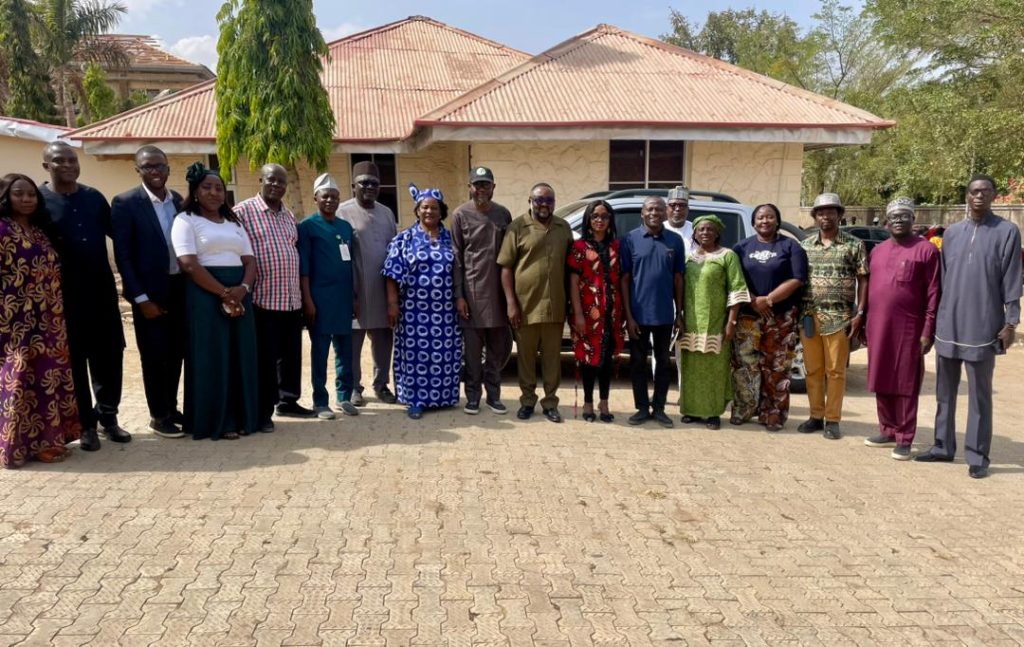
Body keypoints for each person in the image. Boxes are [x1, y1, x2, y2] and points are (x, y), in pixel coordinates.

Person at [916, 175, 1022, 478]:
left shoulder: (1007, 232)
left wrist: (1011, 322)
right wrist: (932, 323)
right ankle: (942, 446)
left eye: (985, 191)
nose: (979, 196)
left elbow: (1012, 279)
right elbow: (942, 281)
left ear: (994, 196)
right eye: (974, 191)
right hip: (949, 323)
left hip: (984, 325)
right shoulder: (952, 233)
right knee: (944, 391)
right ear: (966, 196)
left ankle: (977, 456)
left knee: (979, 395)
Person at [40, 141, 128, 451]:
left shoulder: (93, 197)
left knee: (110, 356)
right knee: (75, 361)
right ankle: (86, 425)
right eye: (59, 160)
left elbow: (121, 236)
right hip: (63, 298)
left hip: (102, 292)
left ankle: (108, 418)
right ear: (46, 166)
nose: (67, 165)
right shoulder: (39, 202)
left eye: (72, 160)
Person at [171, 162, 259, 440]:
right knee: (213, 357)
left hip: (240, 295)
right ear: (195, 192)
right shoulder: (185, 220)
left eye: (219, 188)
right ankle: (219, 421)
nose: (214, 193)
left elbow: (250, 261)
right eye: (207, 187)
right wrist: (223, 293)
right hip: (205, 294)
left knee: (241, 355)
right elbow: (188, 264)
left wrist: (243, 288)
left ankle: (245, 417)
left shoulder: (235, 223)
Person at [0, 174, 81, 467]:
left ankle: (47, 441)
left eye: (31, 194)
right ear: (6, 197)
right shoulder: (2, 229)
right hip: (14, 321)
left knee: (46, 377)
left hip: (48, 319)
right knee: (19, 379)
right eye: (19, 194)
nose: (26, 199)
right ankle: (15, 446)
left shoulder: (38, 231)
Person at [111, 145, 186, 439]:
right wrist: (140, 298)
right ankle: (158, 416)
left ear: (168, 168)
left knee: (176, 353)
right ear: (138, 170)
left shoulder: (177, 200)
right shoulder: (126, 203)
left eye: (160, 166)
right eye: (148, 167)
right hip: (149, 295)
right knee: (154, 357)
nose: (155, 171)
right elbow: (124, 256)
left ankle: (171, 407)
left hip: (178, 289)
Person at [236, 164, 314, 431]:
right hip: (262, 299)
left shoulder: (288, 215)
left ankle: (288, 401)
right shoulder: (243, 212)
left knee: (290, 356)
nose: (277, 185)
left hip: (290, 299)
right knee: (265, 360)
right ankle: (263, 412)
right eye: (271, 180)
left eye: (281, 182)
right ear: (261, 180)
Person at [863, 198, 940, 460]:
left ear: (913, 219)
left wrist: (927, 330)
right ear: (887, 221)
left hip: (909, 328)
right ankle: (887, 429)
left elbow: (933, 293)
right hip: (878, 326)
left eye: (904, 216)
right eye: (894, 216)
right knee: (881, 376)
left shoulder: (926, 250)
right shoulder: (878, 251)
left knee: (905, 382)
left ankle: (905, 437)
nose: (898, 220)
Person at [382, 185, 461, 419]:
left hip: (445, 311)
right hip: (413, 311)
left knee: (444, 354)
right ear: (417, 210)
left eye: (434, 208)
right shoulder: (405, 239)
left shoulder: (450, 238)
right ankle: (415, 399)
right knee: (415, 356)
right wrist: (392, 304)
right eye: (425, 207)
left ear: (441, 211)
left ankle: (442, 398)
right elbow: (391, 273)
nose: (429, 212)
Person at [498, 182, 573, 423]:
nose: (544, 205)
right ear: (530, 201)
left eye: (549, 200)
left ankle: (550, 403)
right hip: (525, 307)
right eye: (539, 200)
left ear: (554, 203)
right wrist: (511, 303)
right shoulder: (517, 227)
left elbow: (571, 269)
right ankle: (527, 401)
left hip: (555, 307)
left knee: (552, 360)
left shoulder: (563, 228)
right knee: (526, 359)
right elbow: (506, 268)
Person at [731, 204, 808, 432]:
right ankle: (744, 409)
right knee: (745, 365)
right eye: (760, 217)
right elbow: (734, 279)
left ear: (777, 220)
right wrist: (754, 300)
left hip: (781, 317)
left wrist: (769, 299)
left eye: (770, 217)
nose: (765, 221)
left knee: (777, 366)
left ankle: (773, 414)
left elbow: (798, 278)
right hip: (748, 315)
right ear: (753, 222)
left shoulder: (790, 246)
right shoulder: (741, 247)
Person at [798, 192, 868, 440]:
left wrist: (860, 312)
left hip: (839, 318)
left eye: (830, 211)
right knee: (813, 370)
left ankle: (833, 419)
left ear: (839, 215)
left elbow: (863, 279)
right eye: (821, 212)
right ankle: (816, 416)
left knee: (836, 371)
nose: (825, 216)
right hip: (809, 317)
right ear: (815, 217)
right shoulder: (805, 246)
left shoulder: (854, 245)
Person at [451, 166, 513, 415]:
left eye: (486, 184)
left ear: (493, 187)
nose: (481, 189)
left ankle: (494, 396)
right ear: (470, 187)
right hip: (472, 295)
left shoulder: (503, 214)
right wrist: (459, 296)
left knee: (497, 352)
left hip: (498, 296)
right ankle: (473, 397)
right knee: (473, 355)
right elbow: (456, 257)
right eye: (477, 185)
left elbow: (511, 256)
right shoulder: (460, 215)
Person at [678, 215, 750, 429]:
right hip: (691, 322)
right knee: (691, 366)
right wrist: (679, 317)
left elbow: (737, 289)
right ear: (694, 233)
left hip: (717, 321)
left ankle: (712, 412)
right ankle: (691, 410)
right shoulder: (689, 257)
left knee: (715, 367)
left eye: (710, 229)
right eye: (701, 229)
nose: (705, 233)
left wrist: (731, 322)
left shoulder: (727, 256)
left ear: (717, 232)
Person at [620, 196, 685, 428]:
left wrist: (679, 314)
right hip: (638, 315)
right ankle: (641, 408)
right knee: (637, 363)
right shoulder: (630, 240)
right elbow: (625, 279)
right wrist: (628, 316)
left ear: (665, 213)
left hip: (664, 314)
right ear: (642, 213)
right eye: (650, 209)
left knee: (664, 363)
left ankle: (659, 408)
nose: (654, 213)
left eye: (659, 209)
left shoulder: (675, 241)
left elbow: (678, 279)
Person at [298, 174, 358, 420]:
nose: (330, 200)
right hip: (320, 300)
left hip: (343, 299)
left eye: (334, 196)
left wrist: (354, 298)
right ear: (316, 198)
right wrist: (308, 300)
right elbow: (303, 268)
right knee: (320, 352)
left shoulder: (345, 227)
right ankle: (320, 401)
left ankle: (344, 397)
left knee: (345, 351)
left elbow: (350, 265)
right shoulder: (307, 227)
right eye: (325, 196)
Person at [339, 161, 399, 406]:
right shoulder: (342, 212)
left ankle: (381, 385)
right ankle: (354, 387)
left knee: (384, 340)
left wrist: (394, 296)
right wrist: (348, 293)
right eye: (364, 183)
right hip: (356, 289)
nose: (370, 187)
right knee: (353, 341)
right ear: (353, 185)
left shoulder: (387, 213)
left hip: (383, 289)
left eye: (374, 183)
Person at [568, 200, 624, 423]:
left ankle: (604, 402)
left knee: (607, 360)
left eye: (604, 216)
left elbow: (623, 280)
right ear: (588, 220)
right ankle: (588, 403)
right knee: (588, 359)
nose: (600, 220)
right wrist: (578, 314)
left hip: (612, 314)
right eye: (595, 216)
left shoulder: (617, 247)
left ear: (610, 220)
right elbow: (573, 282)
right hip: (587, 314)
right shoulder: (579, 247)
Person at [664, 185, 694, 257]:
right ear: (666, 209)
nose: (677, 209)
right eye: (673, 205)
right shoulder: (658, 229)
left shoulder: (696, 231)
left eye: (682, 205)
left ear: (688, 210)